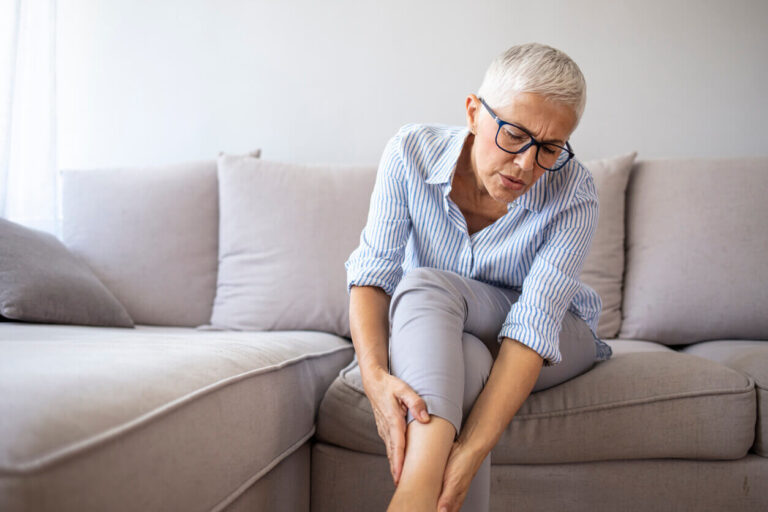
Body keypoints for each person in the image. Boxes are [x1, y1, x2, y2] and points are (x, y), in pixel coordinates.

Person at [344, 42, 613, 512]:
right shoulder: (410, 152)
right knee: (463, 353)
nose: (527, 164)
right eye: (514, 134)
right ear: (473, 112)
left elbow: (533, 327)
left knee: (425, 283)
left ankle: (412, 498)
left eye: (550, 148)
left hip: (556, 333)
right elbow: (373, 272)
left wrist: (469, 453)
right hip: (443, 326)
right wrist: (375, 377)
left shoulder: (574, 193)